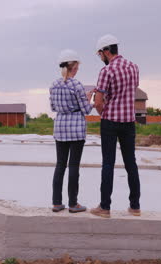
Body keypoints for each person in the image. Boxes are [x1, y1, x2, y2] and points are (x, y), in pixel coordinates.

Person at [90, 34, 141, 218]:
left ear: (105, 51)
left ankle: (105, 207)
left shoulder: (107, 71)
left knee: (108, 164)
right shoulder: (134, 67)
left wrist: (103, 113)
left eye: (100, 54)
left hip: (110, 121)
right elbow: (132, 91)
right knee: (131, 163)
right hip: (129, 122)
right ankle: (135, 206)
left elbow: (98, 101)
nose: (100, 57)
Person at [49, 49, 94, 213]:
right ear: (73, 66)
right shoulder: (77, 85)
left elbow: (53, 107)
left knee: (60, 165)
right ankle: (73, 204)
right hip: (76, 129)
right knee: (73, 166)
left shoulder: (54, 85)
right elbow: (86, 110)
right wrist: (89, 100)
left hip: (60, 127)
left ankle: (56, 203)